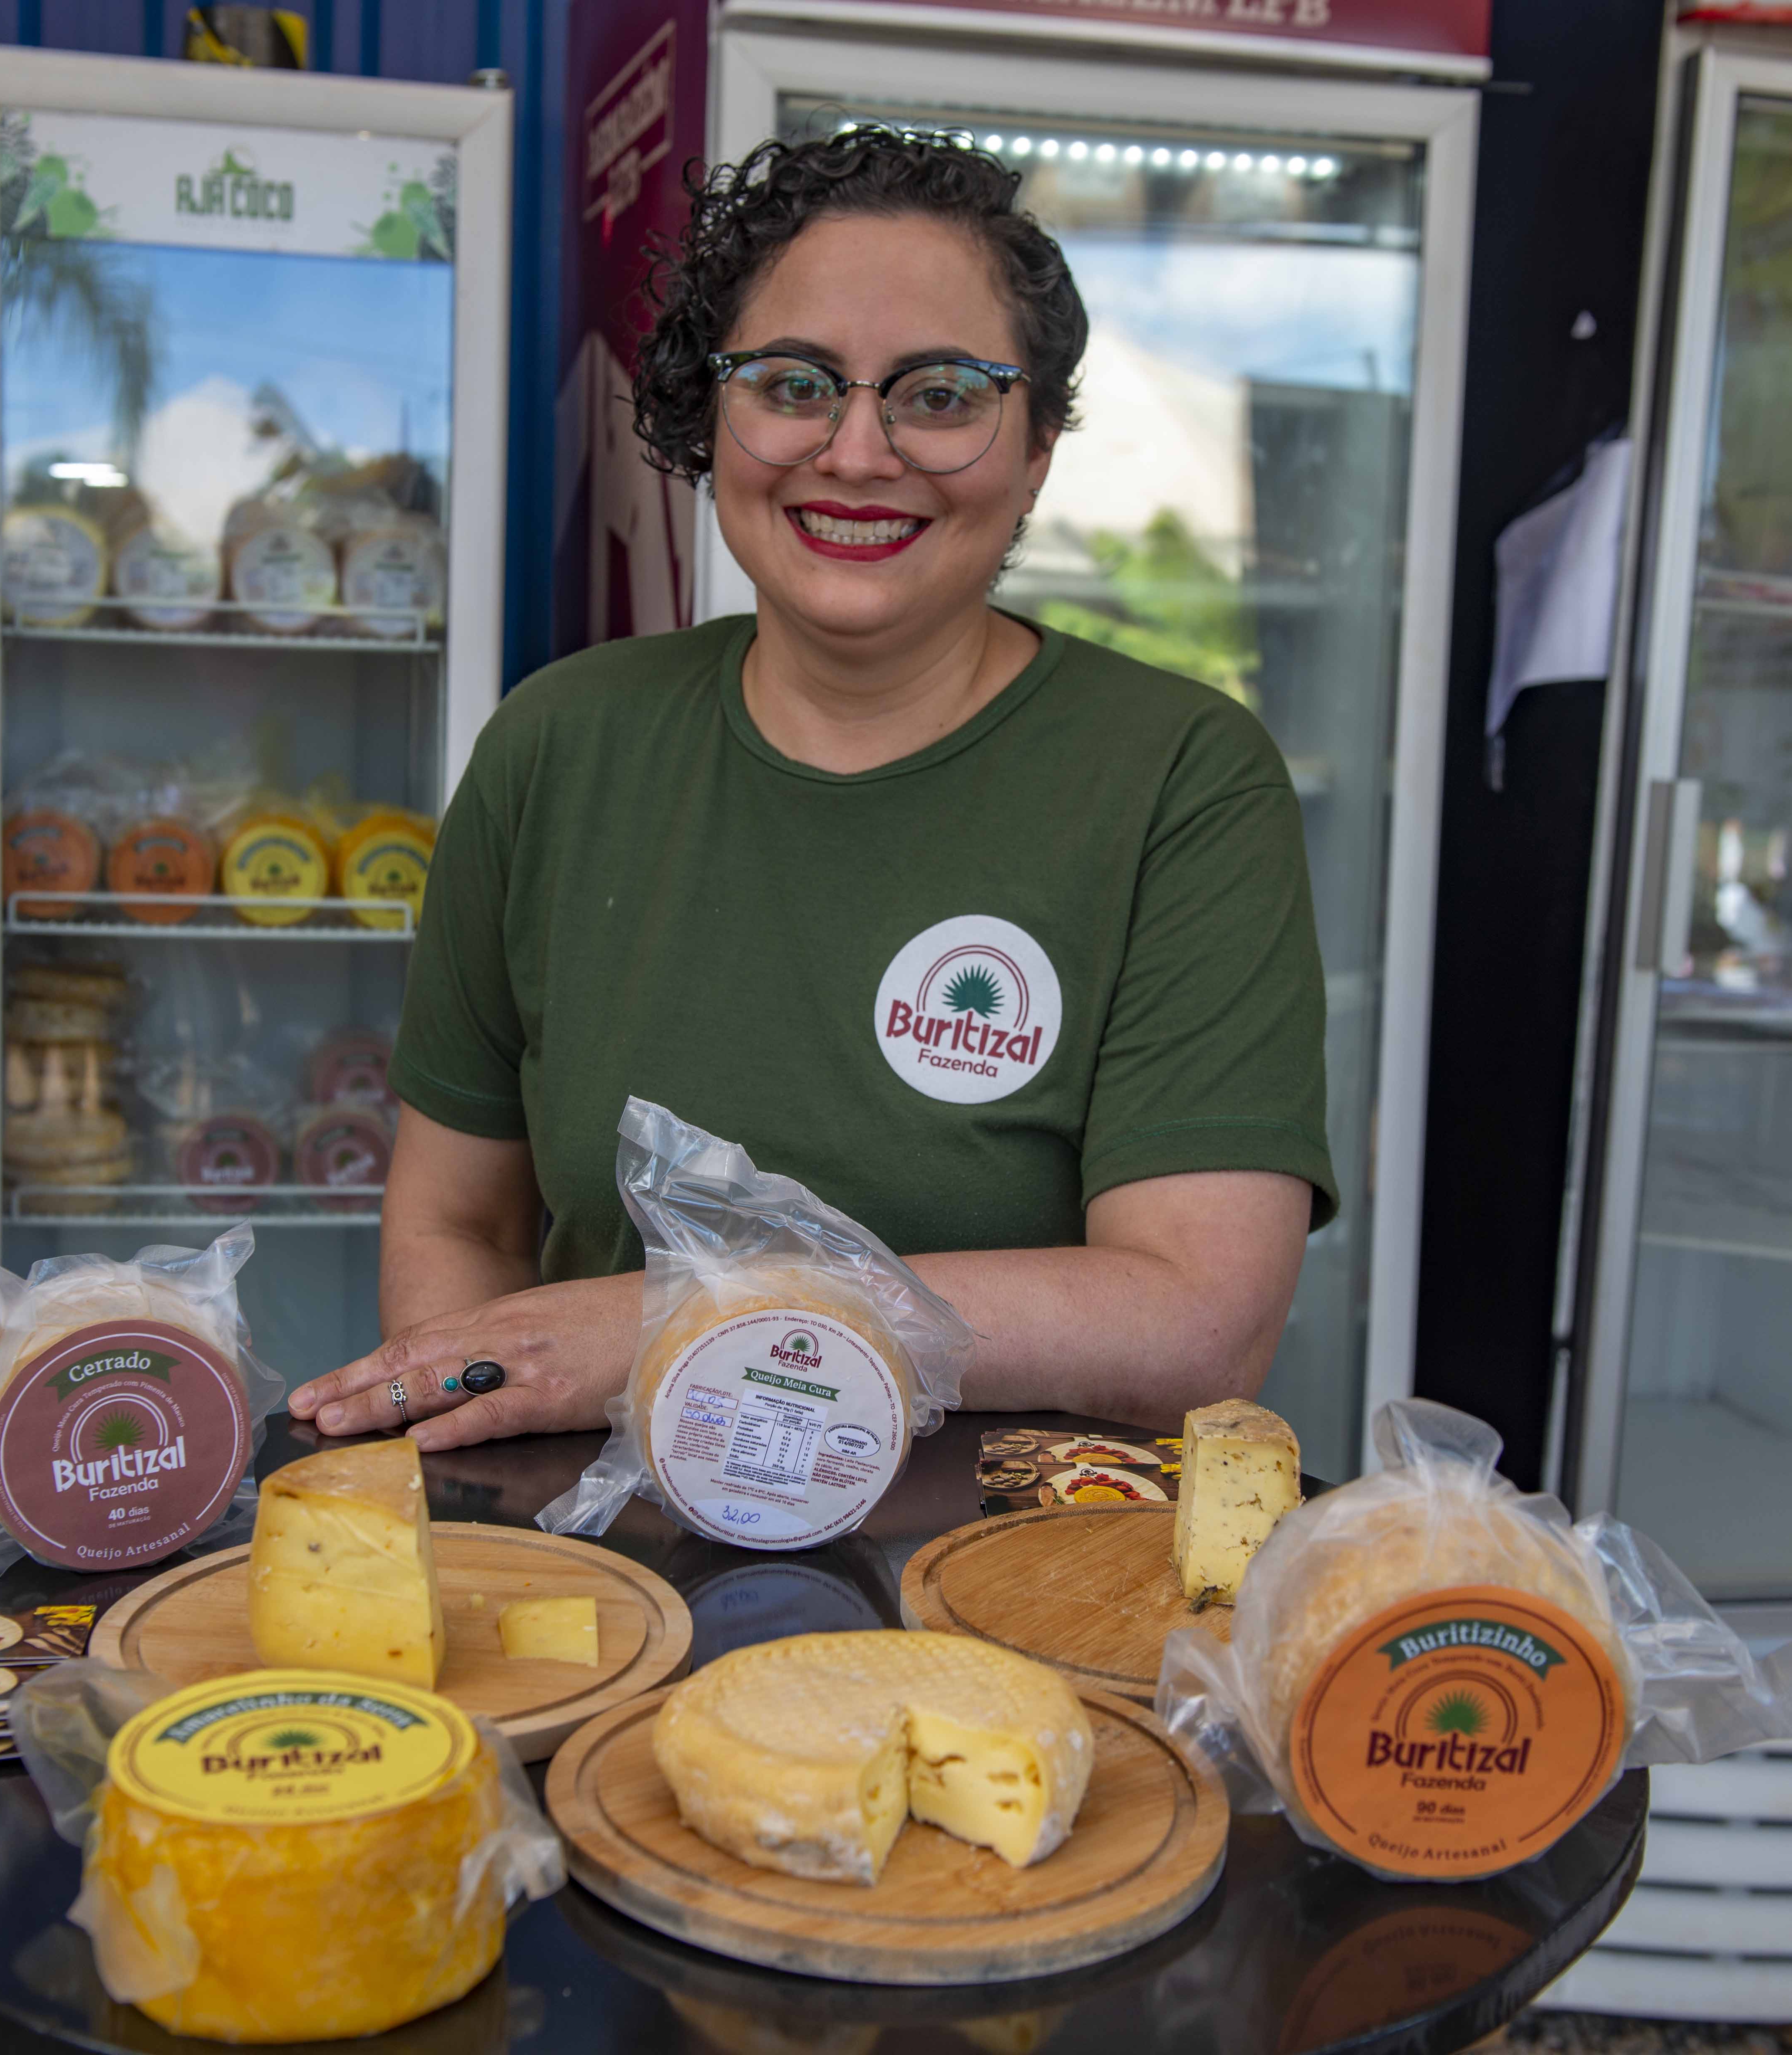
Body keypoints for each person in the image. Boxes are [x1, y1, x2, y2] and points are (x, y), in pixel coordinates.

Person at [286, 126, 1334, 1450]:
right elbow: (458, 1222)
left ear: (1037, 449)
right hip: (599, 1545)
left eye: (941, 395)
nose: (856, 452)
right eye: (794, 384)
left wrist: (668, 1328)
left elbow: (1194, 1321)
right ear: (711, 416)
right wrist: (492, 1511)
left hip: (1016, 1553)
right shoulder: (558, 745)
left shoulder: (1179, 778)